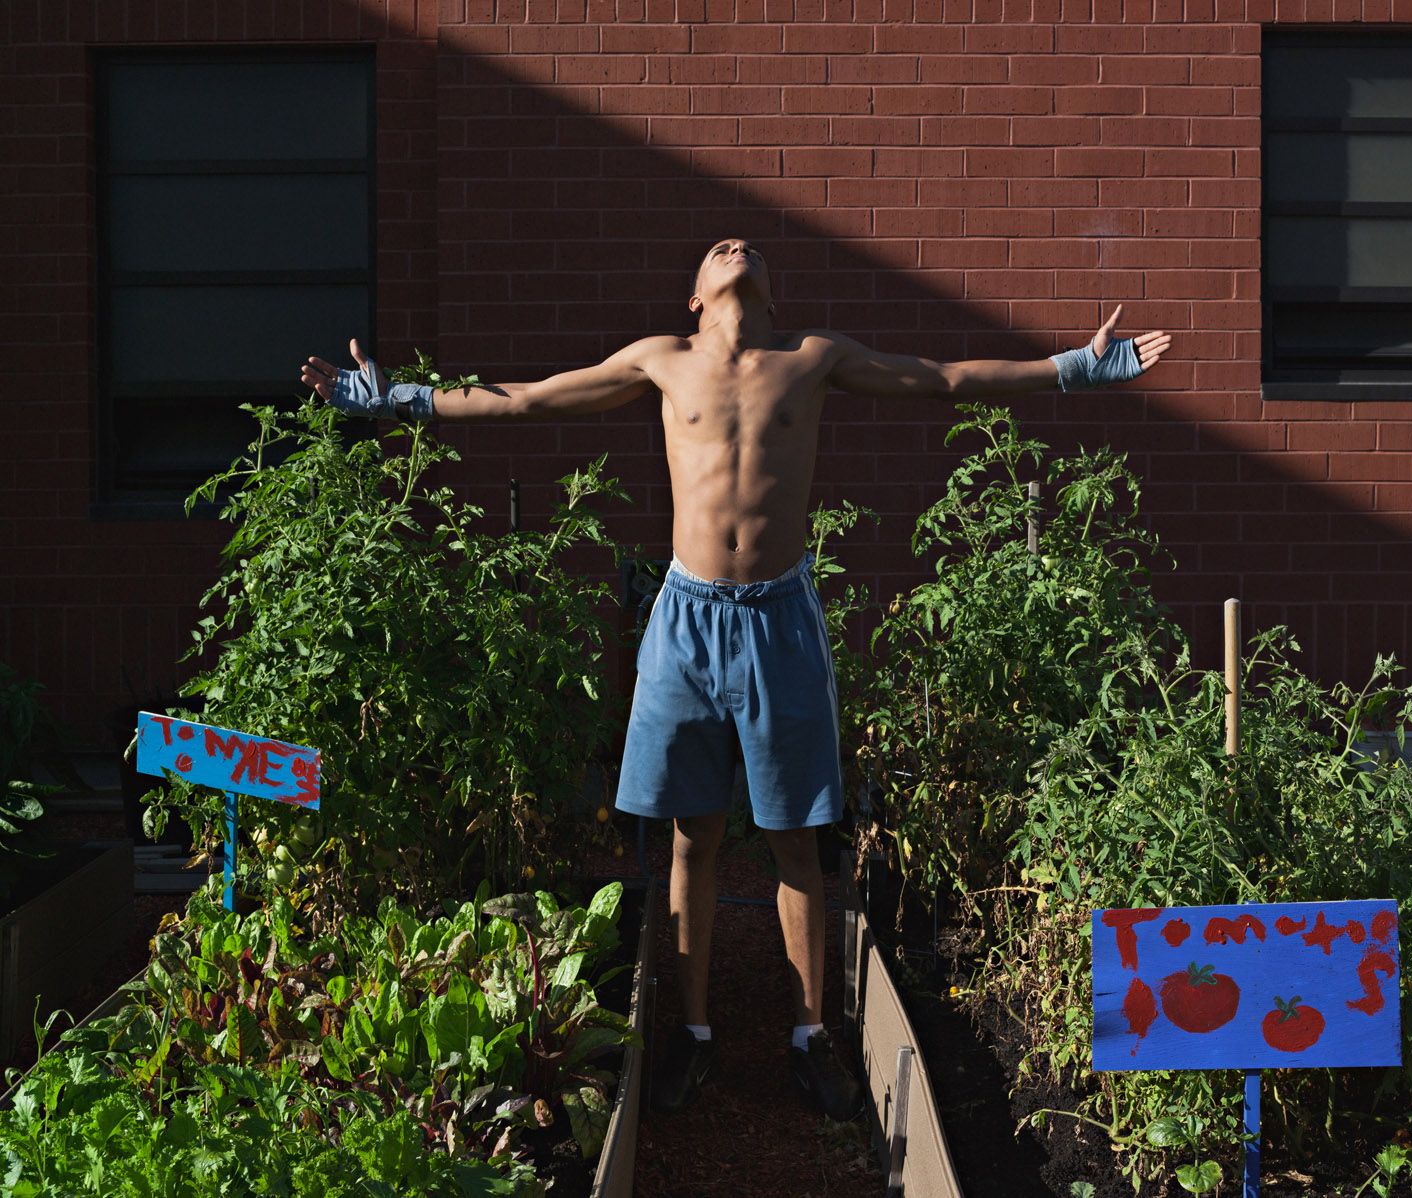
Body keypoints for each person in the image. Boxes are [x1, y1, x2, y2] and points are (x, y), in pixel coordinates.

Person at [300, 238, 1170, 1122]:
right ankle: (694, 1035)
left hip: (780, 621)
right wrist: (396, 400)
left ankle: (811, 1038)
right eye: (717, 249)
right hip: (686, 621)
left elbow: (944, 379)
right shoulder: (661, 360)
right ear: (694, 296)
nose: (733, 246)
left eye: (747, 247)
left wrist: (1072, 367)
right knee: (692, 837)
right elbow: (527, 397)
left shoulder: (813, 357)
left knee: (797, 839)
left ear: (771, 293)